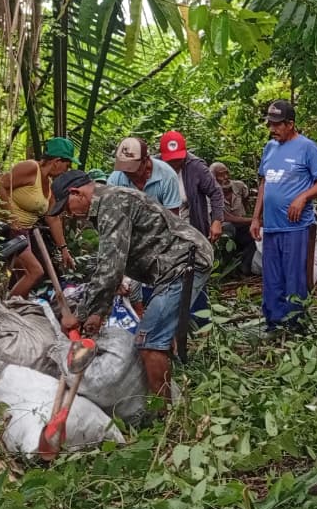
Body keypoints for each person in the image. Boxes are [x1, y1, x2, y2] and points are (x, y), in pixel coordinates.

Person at [52, 170, 213, 400]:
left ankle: (164, 416)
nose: (70, 214)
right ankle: (169, 396)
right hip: (169, 267)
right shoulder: (106, 203)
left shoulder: (112, 203)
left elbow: (110, 268)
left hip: (184, 262)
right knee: (155, 337)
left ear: (75, 193)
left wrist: (80, 314)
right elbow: (115, 260)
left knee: (149, 343)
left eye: (67, 207)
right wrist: (98, 312)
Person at [250, 100, 317, 331]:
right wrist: (256, 218)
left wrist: (303, 197)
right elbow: (264, 182)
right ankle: (274, 324)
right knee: (272, 278)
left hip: (296, 227)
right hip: (272, 226)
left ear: (290, 124)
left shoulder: (307, 147)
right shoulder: (270, 148)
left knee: (294, 277)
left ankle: (296, 326)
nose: (272, 129)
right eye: (270, 124)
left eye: (277, 125)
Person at [0, 137, 76, 297]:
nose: (65, 171)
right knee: (35, 272)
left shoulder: (49, 186)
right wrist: (11, 217)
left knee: (23, 277)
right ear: (57, 161)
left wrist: (64, 250)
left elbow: (53, 218)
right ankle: (8, 310)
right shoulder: (31, 168)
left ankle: (18, 312)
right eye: (66, 166)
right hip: (5, 230)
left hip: (23, 236)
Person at [158, 131, 224, 242]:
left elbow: (215, 192)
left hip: (192, 224)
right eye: (170, 160)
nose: (174, 163)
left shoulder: (195, 167)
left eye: (178, 159)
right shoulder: (154, 166)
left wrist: (217, 220)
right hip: (163, 226)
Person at [108, 137, 183, 213]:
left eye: (131, 168)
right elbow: (111, 212)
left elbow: (173, 218)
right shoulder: (116, 178)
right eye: (123, 168)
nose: (127, 172)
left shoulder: (167, 176)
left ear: (145, 160)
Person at [211, 162, 256, 273]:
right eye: (221, 175)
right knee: (229, 230)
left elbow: (245, 202)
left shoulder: (239, 186)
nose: (226, 177)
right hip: (224, 228)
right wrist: (253, 220)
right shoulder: (211, 192)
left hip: (241, 224)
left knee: (256, 235)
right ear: (213, 177)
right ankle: (225, 269)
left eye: (227, 173)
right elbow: (225, 217)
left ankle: (245, 266)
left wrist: (248, 219)